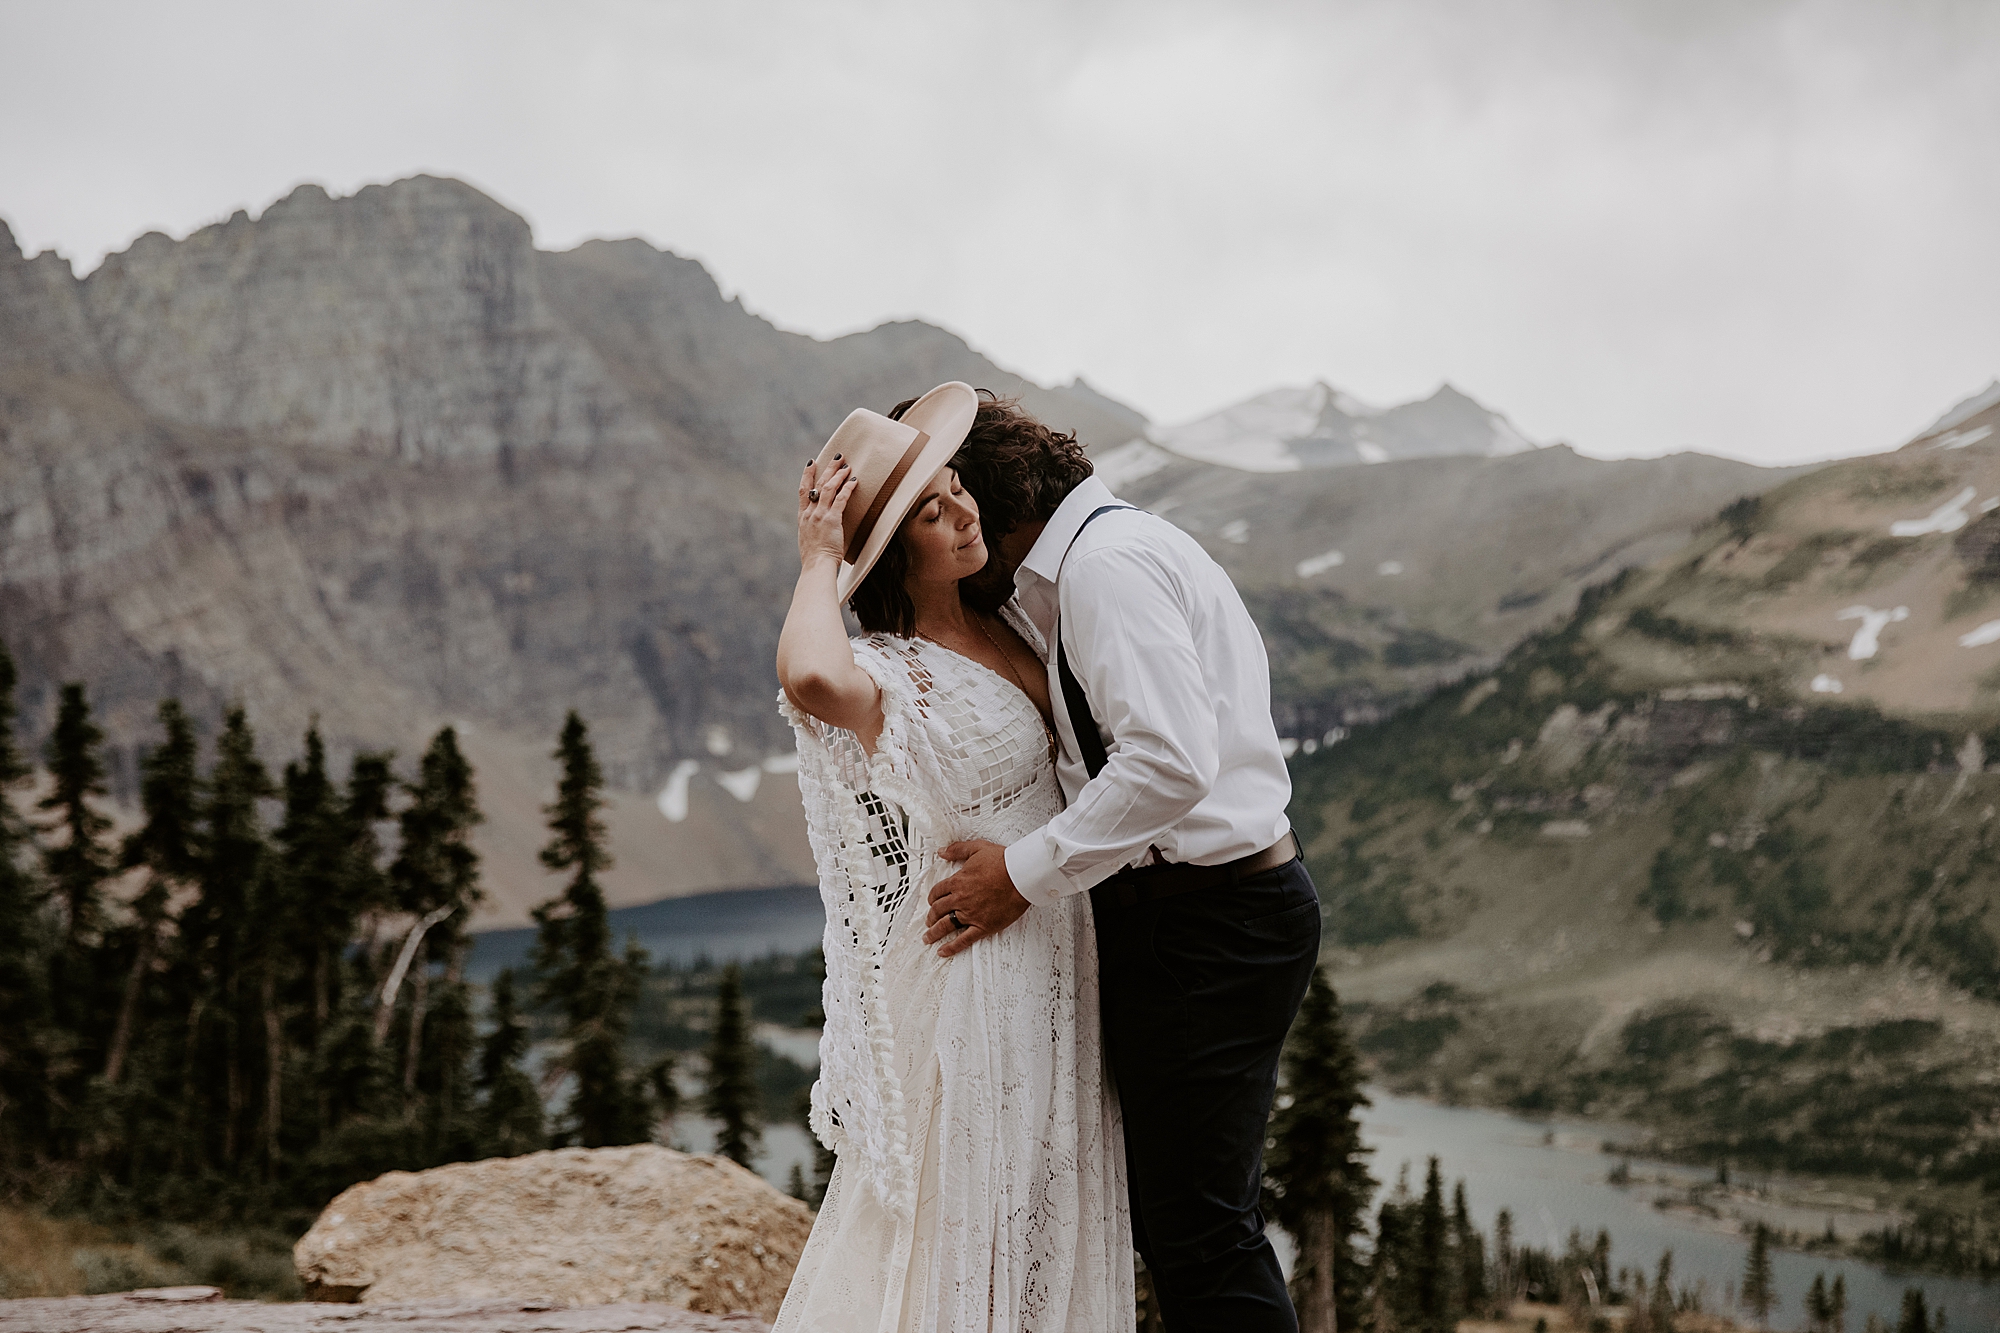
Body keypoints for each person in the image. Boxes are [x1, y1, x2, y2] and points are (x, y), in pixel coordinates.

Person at [921, 394, 1322, 1332]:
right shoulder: (1103, 554)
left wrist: (1019, 874)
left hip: (1208, 920)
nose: (956, 527)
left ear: (991, 499)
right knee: (1187, 1219)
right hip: (1203, 913)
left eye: (954, 499)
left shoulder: (1105, 567)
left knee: (1201, 1230)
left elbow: (1170, 762)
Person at [771, 382, 1133, 1331]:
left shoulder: (1013, 619)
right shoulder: (897, 669)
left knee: (1046, 1193)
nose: (963, 511)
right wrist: (820, 557)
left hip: (1054, 941)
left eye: (956, 487)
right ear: (897, 553)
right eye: (931, 512)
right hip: (978, 967)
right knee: (972, 1205)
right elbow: (810, 674)